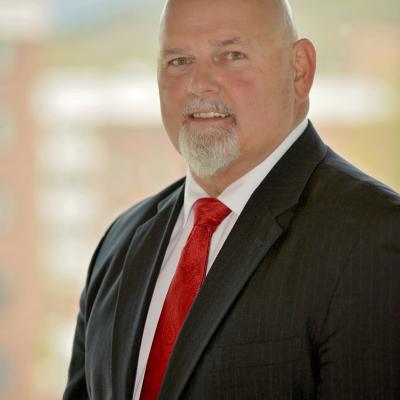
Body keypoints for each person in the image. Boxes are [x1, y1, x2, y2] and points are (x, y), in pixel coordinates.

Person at [63, 0, 400, 398]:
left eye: (231, 55)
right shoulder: (119, 243)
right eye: (179, 61)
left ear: (300, 70)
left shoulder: (374, 236)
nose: (199, 83)